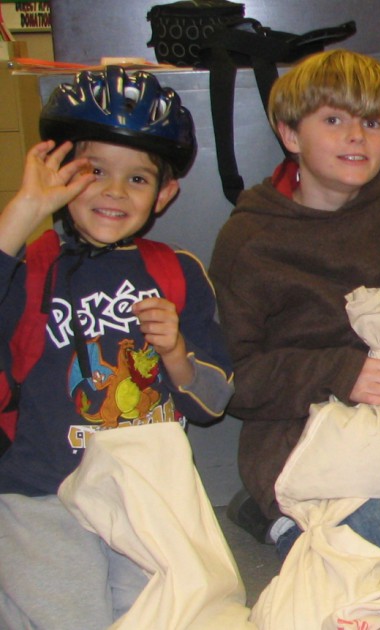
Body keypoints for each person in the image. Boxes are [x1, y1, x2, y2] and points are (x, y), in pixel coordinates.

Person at [209, 49, 380, 583]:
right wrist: (337, 373)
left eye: (372, 122)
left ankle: (308, 529)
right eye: (334, 120)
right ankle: (288, 520)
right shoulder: (249, 237)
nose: (356, 136)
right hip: (305, 446)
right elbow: (232, 380)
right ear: (291, 135)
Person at [0, 66, 234, 628]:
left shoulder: (176, 272)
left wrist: (176, 352)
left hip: (145, 494)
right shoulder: (32, 265)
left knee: (174, 613)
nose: (112, 190)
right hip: (43, 495)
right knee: (69, 615)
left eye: (137, 179)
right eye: (94, 171)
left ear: (165, 193)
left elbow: (216, 400)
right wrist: (25, 209)